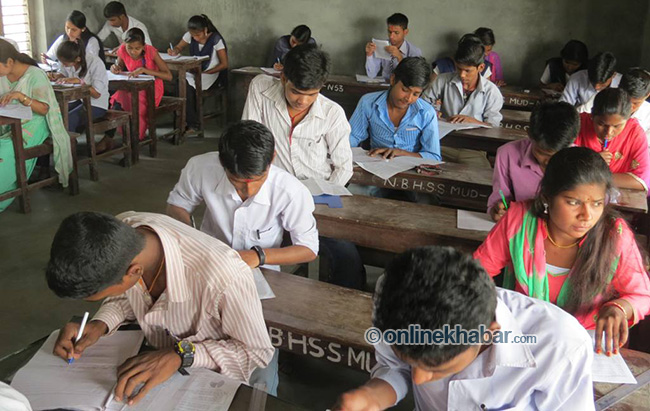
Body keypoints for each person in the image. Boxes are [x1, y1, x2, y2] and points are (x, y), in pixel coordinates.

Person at [46, 211, 275, 405]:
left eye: (102, 294)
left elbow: (255, 353)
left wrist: (181, 355)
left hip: (221, 377)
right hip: (161, 358)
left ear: (134, 272)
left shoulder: (224, 276)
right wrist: (101, 323)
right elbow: (128, 292)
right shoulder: (122, 233)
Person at [334, 246, 595, 410]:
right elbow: (397, 367)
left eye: (439, 368)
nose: (419, 380)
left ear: (489, 333)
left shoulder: (561, 347)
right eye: (414, 362)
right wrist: (373, 396)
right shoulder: (395, 296)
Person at [475, 147, 650, 354]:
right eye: (573, 202)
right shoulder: (520, 221)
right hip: (526, 336)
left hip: (588, 345)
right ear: (548, 197)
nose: (586, 215)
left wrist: (619, 308)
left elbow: (641, 295)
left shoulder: (614, 235)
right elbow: (476, 273)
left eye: (596, 204)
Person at [167, 120, 318, 272]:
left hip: (261, 268)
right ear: (222, 162)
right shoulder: (200, 168)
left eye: (258, 180)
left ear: (272, 158)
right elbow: (177, 205)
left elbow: (308, 248)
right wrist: (190, 237)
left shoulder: (290, 191)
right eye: (236, 181)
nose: (249, 190)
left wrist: (258, 256)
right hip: (210, 261)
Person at [242, 43, 352, 186]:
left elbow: (344, 167)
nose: (303, 101)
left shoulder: (332, 113)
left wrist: (327, 194)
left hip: (317, 187)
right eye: (295, 92)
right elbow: (249, 139)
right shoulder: (261, 88)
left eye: (312, 94)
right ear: (283, 78)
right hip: (274, 185)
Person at [0, 39, 72, 212]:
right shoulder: (3, 76)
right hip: (9, 123)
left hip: (34, 124)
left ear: (9, 62)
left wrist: (21, 97)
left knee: (6, 153)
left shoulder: (34, 75)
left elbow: (44, 109)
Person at [488, 101, 579, 221]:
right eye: (542, 153)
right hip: (522, 228)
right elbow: (499, 198)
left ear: (572, 141)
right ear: (530, 135)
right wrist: (497, 210)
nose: (549, 162)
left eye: (558, 155)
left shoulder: (581, 162)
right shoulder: (507, 154)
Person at [423, 34, 503, 167]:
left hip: (473, 149)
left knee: (482, 176)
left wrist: (474, 121)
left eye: (467, 70)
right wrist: (432, 113)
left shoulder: (492, 91)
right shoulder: (442, 80)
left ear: (481, 68)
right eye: (459, 68)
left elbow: (494, 127)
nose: (462, 75)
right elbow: (422, 104)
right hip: (442, 144)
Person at [350, 57, 440, 160]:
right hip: (376, 164)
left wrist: (401, 153)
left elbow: (434, 157)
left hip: (411, 170)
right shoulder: (368, 103)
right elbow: (353, 137)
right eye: (405, 90)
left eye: (416, 94)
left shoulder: (427, 113)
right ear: (393, 80)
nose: (408, 98)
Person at [99, 28, 171, 152]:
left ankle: (134, 140)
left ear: (143, 46)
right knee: (116, 103)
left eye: (137, 49)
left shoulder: (151, 52)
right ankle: (109, 137)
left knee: (137, 106)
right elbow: (121, 67)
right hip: (131, 86)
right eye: (129, 48)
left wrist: (145, 70)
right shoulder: (122, 50)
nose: (132, 52)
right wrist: (115, 68)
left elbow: (168, 76)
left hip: (151, 89)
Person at [574, 88, 650, 191]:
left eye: (617, 126)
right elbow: (557, 167)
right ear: (592, 115)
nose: (608, 132)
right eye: (601, 124)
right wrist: (591, 162)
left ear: (627, 119)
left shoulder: (634, 133)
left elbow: (643, 181)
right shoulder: (577, 124)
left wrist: (593, 175)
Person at [168, 15, 228, 134]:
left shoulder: (216, 40)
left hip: (211, 74)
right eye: (193, 35)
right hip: (195, 72)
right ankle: (183, 120)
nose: (195, 38)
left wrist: (206, 72)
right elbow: (179, 46)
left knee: (186, 86)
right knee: (179, 83)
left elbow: (224, 64)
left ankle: (192, 123)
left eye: (198, 35)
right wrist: (174, 50)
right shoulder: (190, 35)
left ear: (205, 30)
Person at [52, 41, 108, 133]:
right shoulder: (69, 59)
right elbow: (64, 74)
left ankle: (70, 146)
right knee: (56, 114)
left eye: (65, 63)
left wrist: (80, 82)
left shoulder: (95, 63)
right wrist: (57, 76)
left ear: (77, 59)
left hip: (95, 104)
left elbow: (97, 94)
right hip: (76, 100)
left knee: (69, 120)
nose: (63, 65)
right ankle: (64, 143)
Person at [364, 13, 422, 80]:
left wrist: (400, 57)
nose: (391, 36)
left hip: (403, 88)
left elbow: (414, 78)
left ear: (405, 32)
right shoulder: (382, 45)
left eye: (396, 33)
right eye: (389, 32)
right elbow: (371, 74)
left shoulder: (414, 51)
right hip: (384, 86)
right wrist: (369, 55)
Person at [617, 68, 650, 149]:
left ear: (647, 95)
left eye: (636, 103)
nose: (630, 106)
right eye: (626, 100)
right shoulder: (605, 99)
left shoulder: (648, 115)